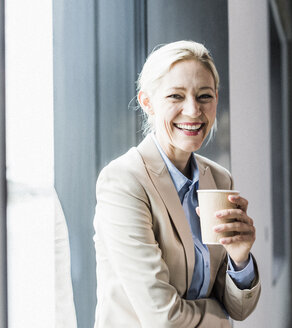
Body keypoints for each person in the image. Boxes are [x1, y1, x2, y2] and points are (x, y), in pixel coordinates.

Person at [93, 40, 261, 327]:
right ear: (147, 102)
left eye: (204, 96)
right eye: (176, 96)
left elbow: (239, 308)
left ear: (216, 100)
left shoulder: (218, 179)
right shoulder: (124, 182)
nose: (194, 110)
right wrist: (221, 319)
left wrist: (240, 258)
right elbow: (164, 319)